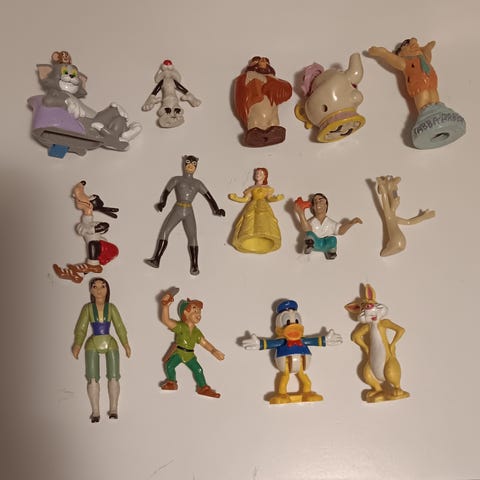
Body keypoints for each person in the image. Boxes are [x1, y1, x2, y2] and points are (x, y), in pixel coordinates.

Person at [145, 155, 225, 275]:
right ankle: (156, 259)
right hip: (178, 208)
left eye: (194, 164)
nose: (191, 165)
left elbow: (209, 197)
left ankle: (194, 265)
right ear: (184, 164)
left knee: (193, 237)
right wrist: (163, 203)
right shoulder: (176, 179)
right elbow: (166, 192)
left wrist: (216, 209)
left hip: (188, 211)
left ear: (196, 166)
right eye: (188, 163)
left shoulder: (198, 183)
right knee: (165, 231)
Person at [72, 278, 131, 422]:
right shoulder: (88, 308)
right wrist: (77, 344)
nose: (99, 290)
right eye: (95, 286)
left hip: (110, 342)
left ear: (107, 290)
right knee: (92, 378)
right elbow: (81, 328)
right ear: (91, 290)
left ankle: (114, 409)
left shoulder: (111, 308)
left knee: (114, 376)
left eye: (102, 286)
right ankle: (95, 411)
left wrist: (125, 344)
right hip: (93, 342)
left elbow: (120, 327)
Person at [159, 291, 224, 398]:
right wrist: (165, 306)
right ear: (185, 313)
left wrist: (213, 350)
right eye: (195, 311)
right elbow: (166, 320)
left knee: (199, 370)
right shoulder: (180, 326)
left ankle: (203, 388)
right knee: (169, 366)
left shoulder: (196, 332)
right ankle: (171, 382)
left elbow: (204, 342)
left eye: (199, 312)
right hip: (179, 353)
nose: (198, 314)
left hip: (189, 355)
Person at [368, 38, 438, 112]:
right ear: (401, 54)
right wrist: (383, 52)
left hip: (432, 84)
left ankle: (440, 114)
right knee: (424, 102)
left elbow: (427, 53)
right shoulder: (406, 63)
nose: (414, 46)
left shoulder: (424, 59)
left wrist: (427, 48)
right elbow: (393, 59)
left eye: (416, 45)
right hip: (419, 87)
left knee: (435, 100)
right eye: (408, 45)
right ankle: (427, 116)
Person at [228, 167, 284, 253]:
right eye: (256, 173)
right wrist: (235, 198)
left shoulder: (266, 188)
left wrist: (276, 198)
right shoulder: (252, 188)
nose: (258, 175)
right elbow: (246, 199)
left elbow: (269, 198)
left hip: (263, 206)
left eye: (260, 174)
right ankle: (247, 236)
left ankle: (265, 236)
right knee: (249, 220)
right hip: (252, 205)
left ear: (265, 176)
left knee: (263, 220)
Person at [294, 193, 362, 259]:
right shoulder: (312, 221)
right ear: (313, 207)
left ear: (326, 205)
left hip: (326, 244)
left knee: (333, 239)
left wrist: (351, 223)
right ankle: (309, 246)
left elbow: (340, 231)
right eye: (315, 202)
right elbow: (306, 228)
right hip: (315, 243)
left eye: (320, 200)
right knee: (309, 234)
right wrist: (301, 213)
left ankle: (331, 252)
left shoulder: (330, 222)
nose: (317, 203)